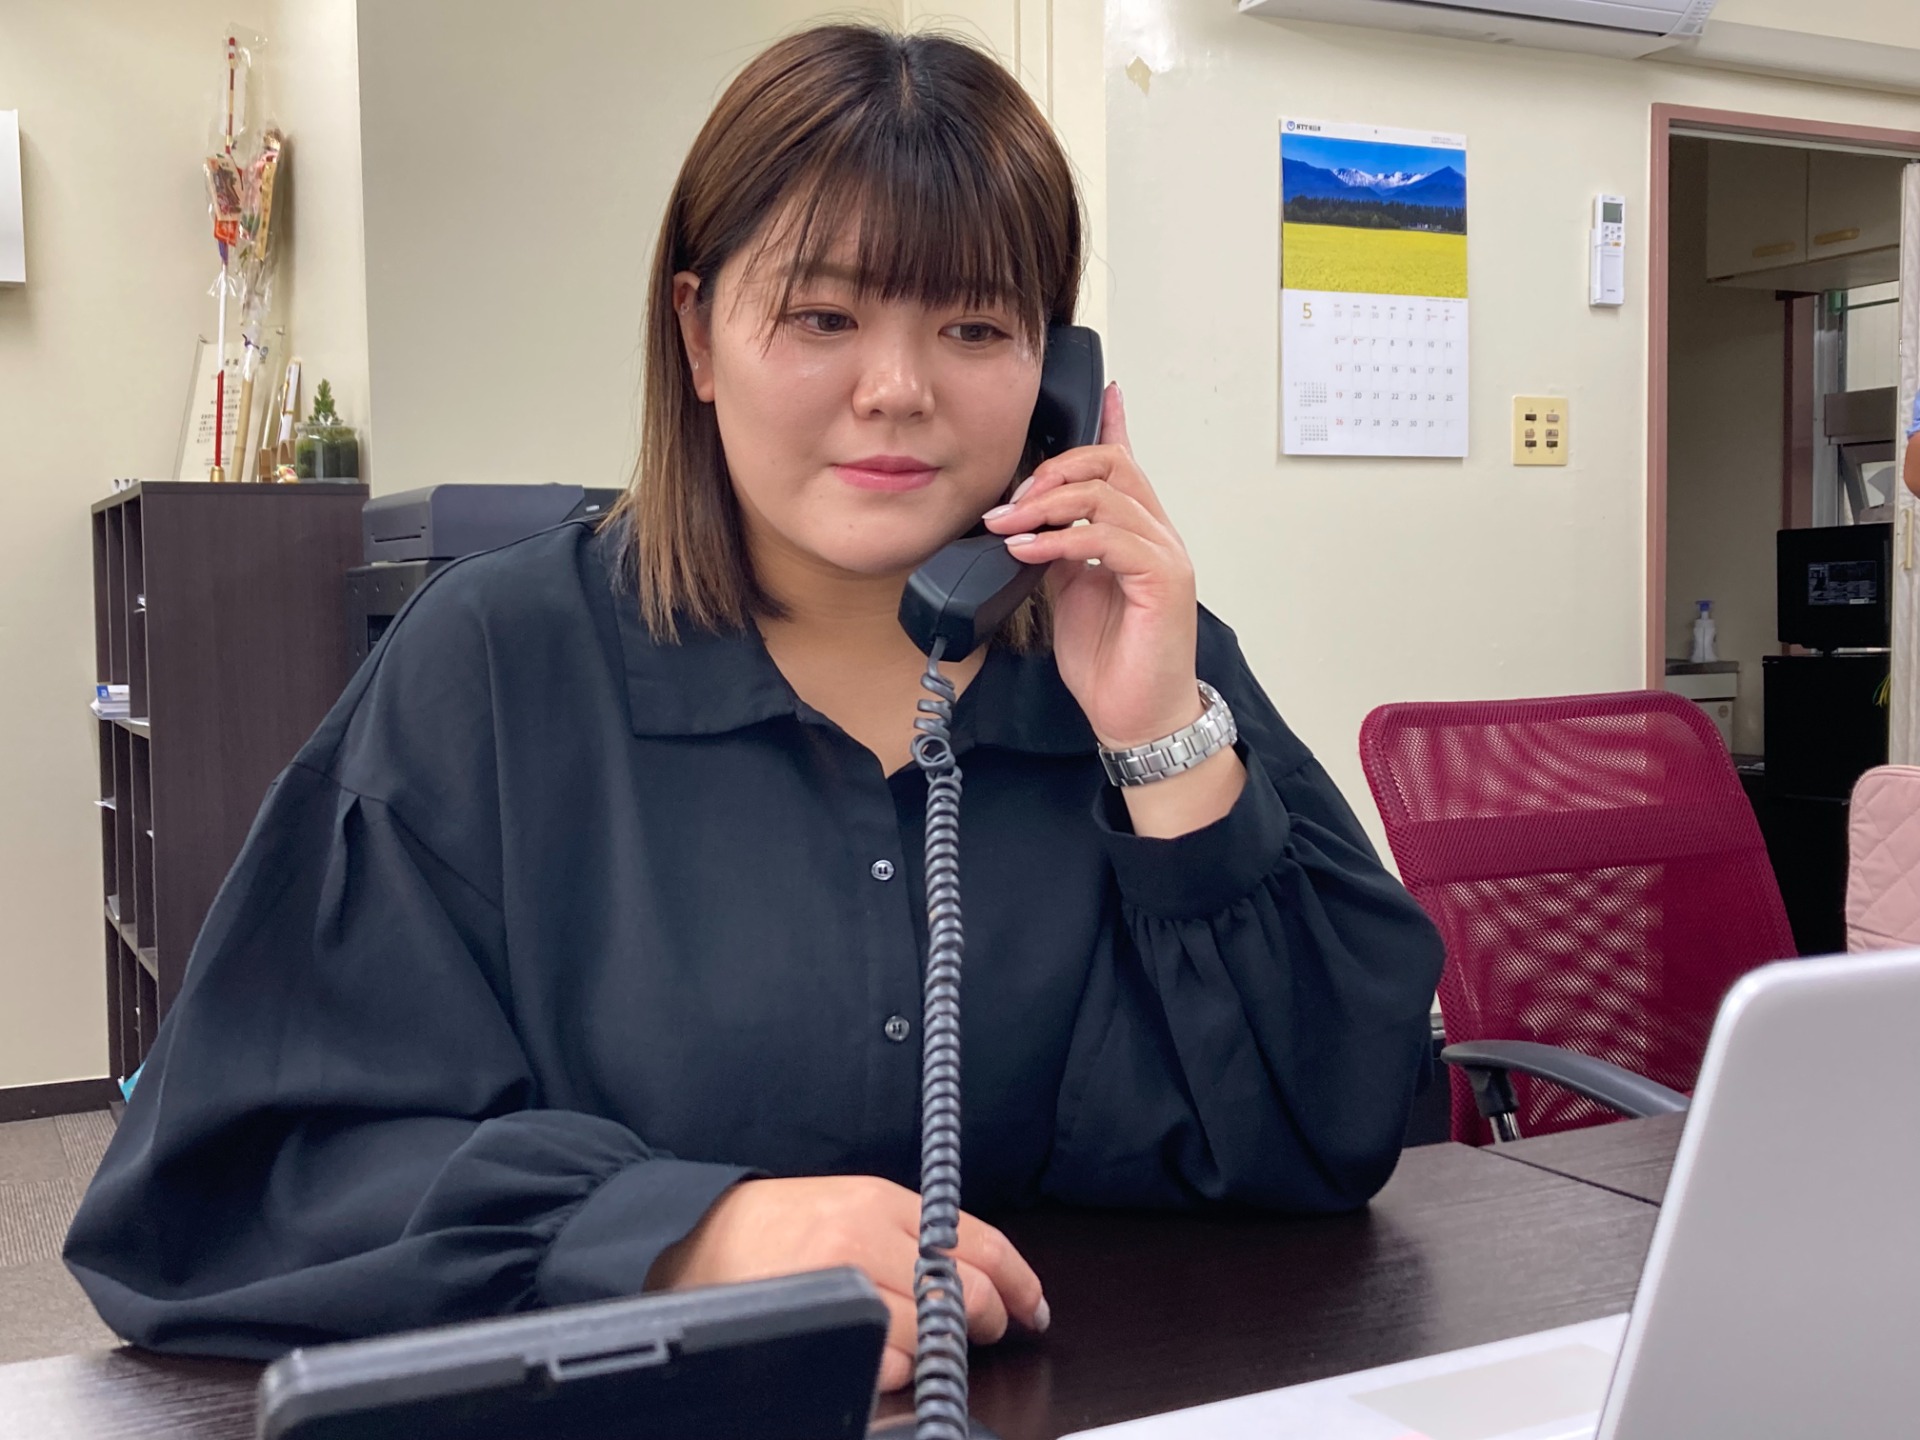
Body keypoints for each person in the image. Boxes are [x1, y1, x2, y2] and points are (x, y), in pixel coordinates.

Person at [64, 24, 1444, 1393]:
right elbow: (233, 1184)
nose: (897, 391)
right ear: (698, 334)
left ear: (1057, 377)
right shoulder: (493, 664)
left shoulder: (1140, 651)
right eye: (822, 318)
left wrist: (1160, 743)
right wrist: (688, 1233)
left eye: (975, 328)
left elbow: (1337, 1131)